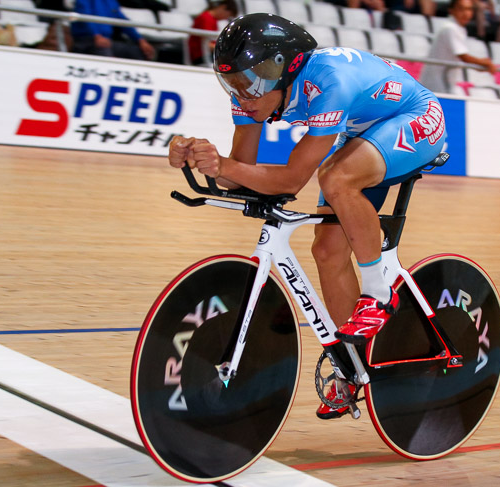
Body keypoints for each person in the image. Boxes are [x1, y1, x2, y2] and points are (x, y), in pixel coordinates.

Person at [168, 14, 447, 419]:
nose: (243, 95)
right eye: (233, 84)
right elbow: (242, 169)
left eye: (251, 83)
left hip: (417, 118)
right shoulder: (252, 94)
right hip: (367, 131)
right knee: (328, 250)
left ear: (285, 68)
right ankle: (356, 367)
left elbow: (291, 178)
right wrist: (198, 156)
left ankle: (379, 294)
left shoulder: (328, 80)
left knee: (335, 177)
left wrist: (224, 166)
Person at [419, 0, 497, 95]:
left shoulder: (458, 28)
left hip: (443, 84)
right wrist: (485, 63)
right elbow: (464, 57)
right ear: (451, 10)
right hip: (435, 85)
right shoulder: (450, 28)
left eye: (469, 9)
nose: (466, 13)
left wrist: (482, 65)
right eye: (461, 9)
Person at [70, 0, 155, 60]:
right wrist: (96, 35)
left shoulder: (111, 1)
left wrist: (141, 40)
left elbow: (123, 21)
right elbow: (84, 16)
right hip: (86, 41)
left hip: (106, 41)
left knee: (138, 52)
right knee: (104, 49)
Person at [188, 0, 238, 66]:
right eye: (228, 15)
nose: (226, 18)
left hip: (206, 54)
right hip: (201, 55)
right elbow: (207, 44)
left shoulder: (211, 19)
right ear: (223, 7)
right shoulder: (206, 18)